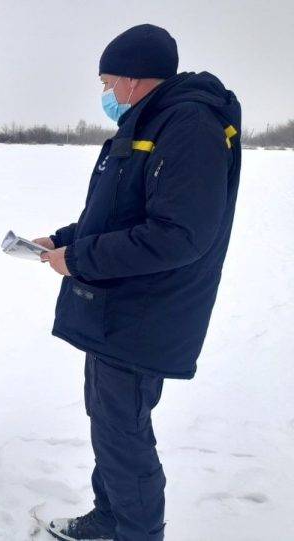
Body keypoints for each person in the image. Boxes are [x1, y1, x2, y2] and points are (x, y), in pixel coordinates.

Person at [34, 24, 242, 541]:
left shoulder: (188, 125)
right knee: (108, 427)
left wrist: (78, 257)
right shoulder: (151, 120)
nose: (106, 94)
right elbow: (120, 212)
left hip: (144, 316)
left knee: (123, 436)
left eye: (108, 83)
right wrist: (60, 239)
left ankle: (136, 533)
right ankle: (110, 519)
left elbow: (178, 235)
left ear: (132, 79)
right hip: (117, 309)